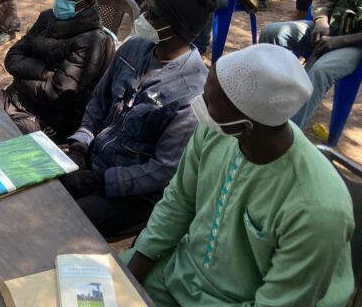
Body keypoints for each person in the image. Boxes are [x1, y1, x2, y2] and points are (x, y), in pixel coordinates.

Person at [124, 44, 355, 306]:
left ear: (245, 127)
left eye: (209, 101)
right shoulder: (216, 129)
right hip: (178, 273)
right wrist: (130, 275)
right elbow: (179, 201)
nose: (199, 104)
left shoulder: (316, 210)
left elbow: (281, 301)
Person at [60, 0, 216, 239]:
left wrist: (99, 180)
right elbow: (99, 103)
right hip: (93, 161)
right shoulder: (134, 49)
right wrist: (79, 146)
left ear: (176, 28)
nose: (142, 17)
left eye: (152, 15)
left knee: (63, 220)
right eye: (146, 8)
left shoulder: (191, 92)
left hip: (135, 195)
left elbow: (162, 170)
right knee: (38, 192)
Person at [3, 0, 114, 140]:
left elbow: (55, 95)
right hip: (18, 99)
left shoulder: (91, 42)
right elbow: (11, 57)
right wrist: (43, 72)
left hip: (50, 119)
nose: (61, 2)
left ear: (87, 2)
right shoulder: (47, 17)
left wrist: (19, 76)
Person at [260, 0, 362, 129]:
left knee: (320, 71)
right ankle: (266, 104)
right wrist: (322, 22)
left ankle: (286, 134)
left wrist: (338, 41)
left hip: (354, 44)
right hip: (330, 28)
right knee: (272, 33)